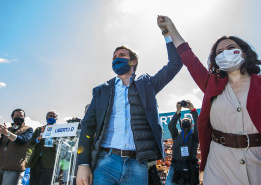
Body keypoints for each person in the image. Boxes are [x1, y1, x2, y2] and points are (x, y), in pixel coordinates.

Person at [162, 15, 261, 185]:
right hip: (219, 166)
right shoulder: (210, 84)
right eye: (219, 52)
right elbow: (188, 57)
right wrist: (171, 27)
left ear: (244, 52)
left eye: (231, 48)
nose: (225, 53)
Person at [76, 15, 183, 185]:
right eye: (114, 57)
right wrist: (83, 163)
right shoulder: (101, 90)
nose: (116, 58)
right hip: (105, 162)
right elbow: (87, 126)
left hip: (138, 165)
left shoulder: (147, 84)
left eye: (121, 55)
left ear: (133, 61)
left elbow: (175, 64)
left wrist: (167, 34)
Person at [0, 108, 33, 185]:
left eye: (21, 116)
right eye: (17, 115)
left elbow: (21, 140)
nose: (19, 117)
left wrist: (7, 133)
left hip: (14, 167)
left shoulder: (28, 129)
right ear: (12, 117)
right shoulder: (7, 129)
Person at [165, 101, 199, 185]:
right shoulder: (176, 134)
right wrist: (177, 112)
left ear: (191, 125)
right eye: (184, 119)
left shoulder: (194, 136)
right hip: (175, 167)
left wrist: (193, 110)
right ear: (180, 125)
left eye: (188, 119)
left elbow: (198, 124)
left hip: (190, 169)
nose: (185, 120)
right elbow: (171, 126)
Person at [27, 110, 58, 185]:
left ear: (57, 119)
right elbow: (30, 144)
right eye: (50, 116)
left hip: (49, 164)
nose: (52, 118)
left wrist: (50, 139)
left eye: (54, 116)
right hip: (35, 162)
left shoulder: (58, 130)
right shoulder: (39, 129)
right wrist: (38, 138)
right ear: (46, 117)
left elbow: (59, 147)